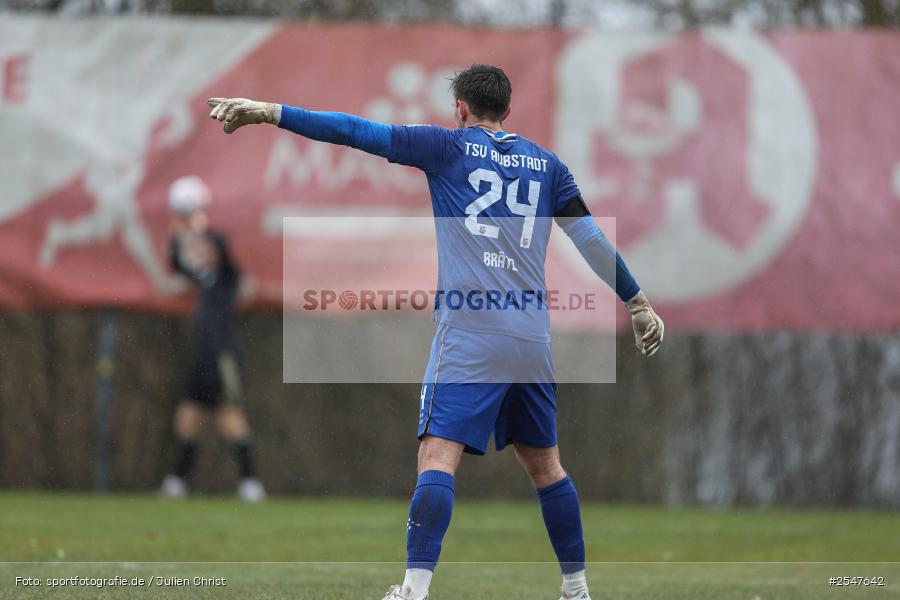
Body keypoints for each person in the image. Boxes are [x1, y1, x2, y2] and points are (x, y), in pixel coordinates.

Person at [208, 63, 663, 599]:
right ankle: (577, 588)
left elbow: (352, 130)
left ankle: (414, 590)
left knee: (436, 456)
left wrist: (271, 112)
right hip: (531, 338)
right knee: (546, 467)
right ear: (508, 111)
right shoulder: (548, 166)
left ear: (460, 110)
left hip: (471, 330)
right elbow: (589, 239)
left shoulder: (445, 148)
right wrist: (635, 300)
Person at [159, 175, 266, 503]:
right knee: (187, 418)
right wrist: (179, 238)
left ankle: (250, 483)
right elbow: (178, 263)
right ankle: (177, 481)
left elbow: (217, 245)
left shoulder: (227, 275)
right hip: (203, 354)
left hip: (221, 354)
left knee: (230, 419)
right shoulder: (206, 277)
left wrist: (194, 223)